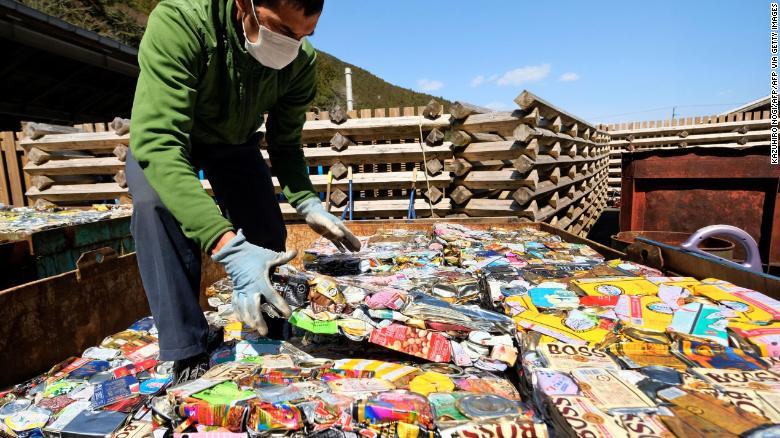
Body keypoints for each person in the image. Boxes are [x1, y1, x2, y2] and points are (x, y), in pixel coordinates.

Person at [126, 0, 360, 384]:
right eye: (281, 31)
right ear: (243, 4)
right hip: (169, 138)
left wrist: (306, 200)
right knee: (156, 209)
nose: (291, 46)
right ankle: (188, 349)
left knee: (266, 227)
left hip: (234, 142)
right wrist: (227, 247)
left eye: (304, 35)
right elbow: (159, 142)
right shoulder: (180, 22)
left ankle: (269, 326)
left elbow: (285, 142)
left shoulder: (300, 60)